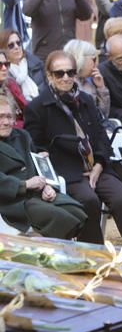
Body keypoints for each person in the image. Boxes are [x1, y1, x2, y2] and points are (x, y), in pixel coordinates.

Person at [24, 51, 122, 250]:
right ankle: (93, 256)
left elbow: (101, 138)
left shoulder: (86, 100)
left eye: (70, 72)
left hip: (96, 166)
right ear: (49, 75)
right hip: (67, 172)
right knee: (88, 200)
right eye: (59, 73)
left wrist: (98, 166)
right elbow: (37, 148)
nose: (65, 77)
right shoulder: (37, 107)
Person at [0, 100, 86, 238]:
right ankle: (51, 252)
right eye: (1, 117)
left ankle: (54, 248)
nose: (6, 122)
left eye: (9, 117)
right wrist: (25, 185)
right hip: (12, 201)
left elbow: (36, 166)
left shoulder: (22, 136)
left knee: (77, 212)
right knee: (61, 219)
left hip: (36, 193)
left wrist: (47, 185)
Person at [63, 39, 110, 118]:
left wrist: (101, 88)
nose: (97, 64)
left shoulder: (87, 82)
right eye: (94, 59)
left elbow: (103, 115)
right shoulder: (66, 84)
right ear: (81, 59)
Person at [0, 29, 45, 100]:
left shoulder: (36, 64)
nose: (16, 47)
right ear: (3, 48)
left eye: (18, 43)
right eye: (11, 45)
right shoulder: (3, 72)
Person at [0, 50, 27, 129]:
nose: (4, 68)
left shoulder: (10, 83)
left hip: (22, 128)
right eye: (0, 65)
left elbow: (27, 108)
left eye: (6, 64)